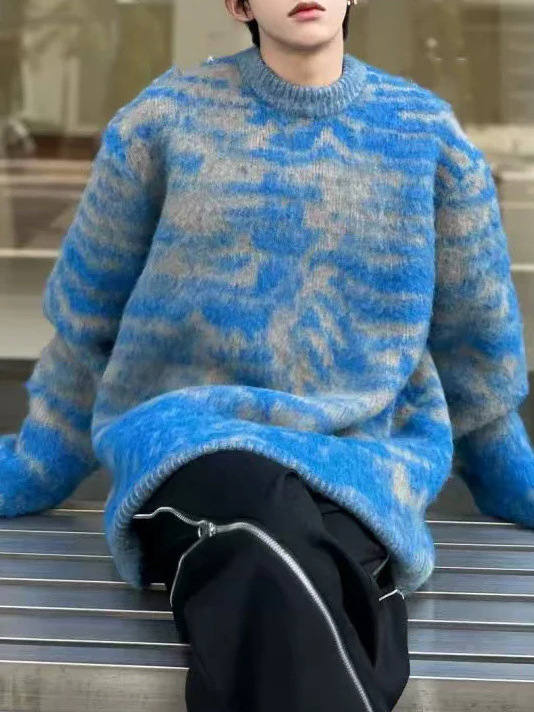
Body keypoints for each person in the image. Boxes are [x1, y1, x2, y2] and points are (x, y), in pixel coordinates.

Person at [1, 0, 533, 709]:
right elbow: (87, 321)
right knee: (263, 531)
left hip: (358, 461)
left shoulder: (427, 137)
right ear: (239, 4)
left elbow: (473, 342)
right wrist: (38, 463)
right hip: (193, 447)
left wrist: (506, 472)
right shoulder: (162, 122)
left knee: (309, 574)